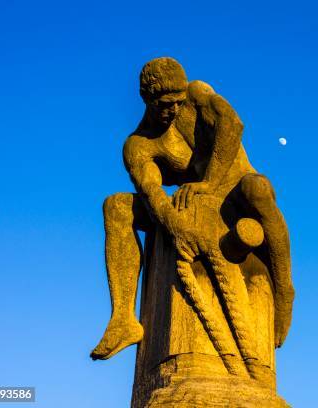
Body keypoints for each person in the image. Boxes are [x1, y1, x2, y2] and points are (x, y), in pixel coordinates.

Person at [90, 57, 294, 360]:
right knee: (117, 206)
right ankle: (122, 318)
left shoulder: (197, 96)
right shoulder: (138, 145)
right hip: (192, 204)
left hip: (234, 191)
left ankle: (285, 291)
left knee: (259, 188)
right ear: (147, 100)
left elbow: (233, 124)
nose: (172, 110)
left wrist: (209, 184)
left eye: (177, 102)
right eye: (164, 104)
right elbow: (151, 193)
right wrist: (178, 228)